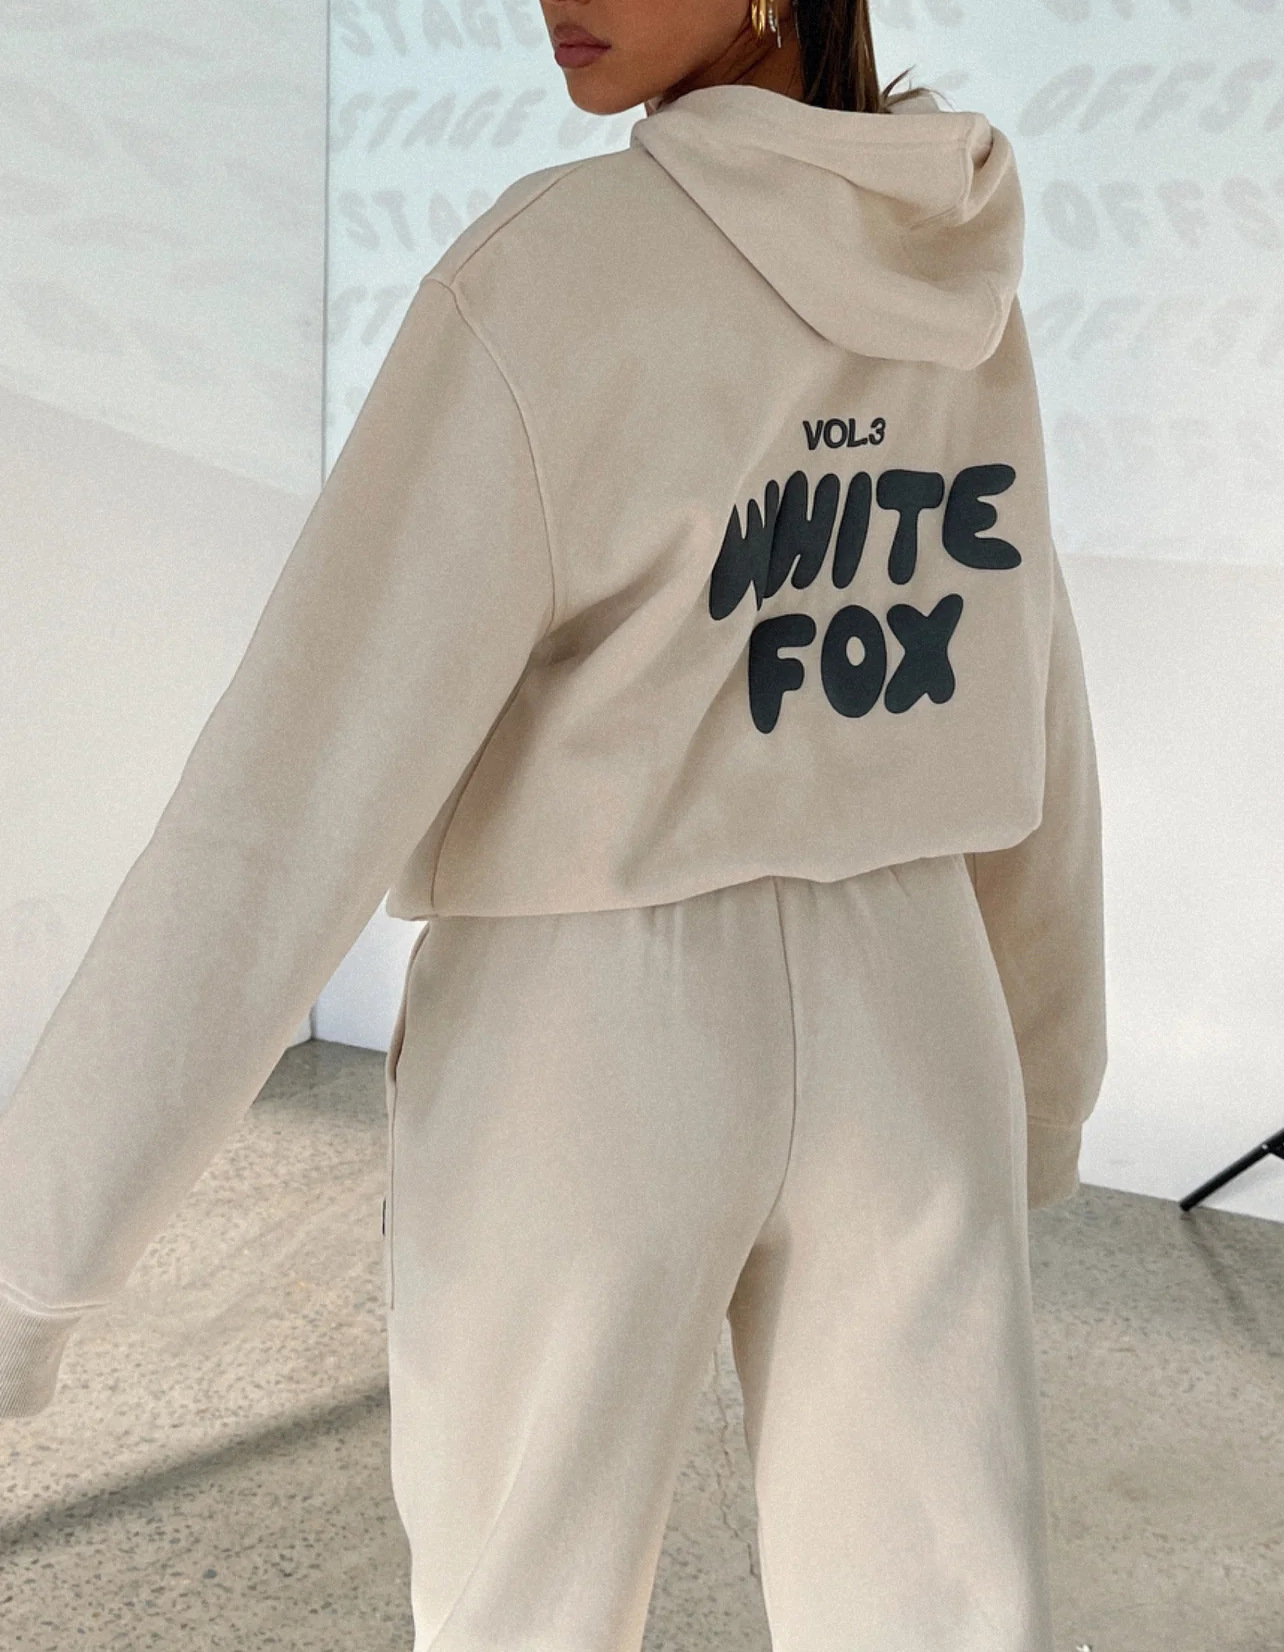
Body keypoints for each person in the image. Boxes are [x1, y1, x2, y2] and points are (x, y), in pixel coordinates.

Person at [0, 0, 1108, 1646]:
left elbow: (293, 788)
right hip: (918, 1014)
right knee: (936, 1610)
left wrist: (37, 1253)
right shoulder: (952, 260)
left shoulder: (549, 270)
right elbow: (1030, 693)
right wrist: (1042, 1085)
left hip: (591, 1032)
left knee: (525, 1611)